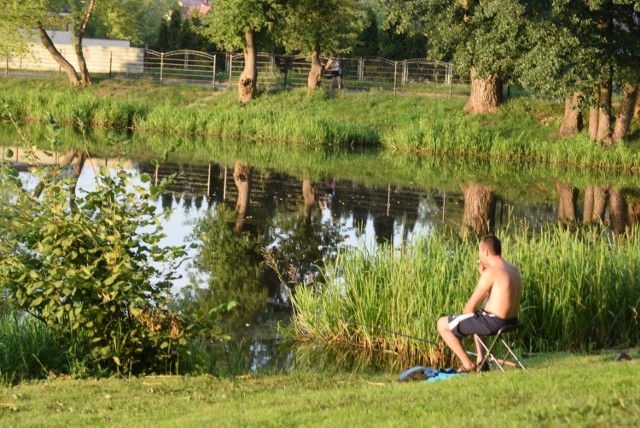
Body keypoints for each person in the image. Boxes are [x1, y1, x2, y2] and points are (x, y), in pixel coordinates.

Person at [436, 235, 522, 372]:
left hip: (494, 322)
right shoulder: (513, 269)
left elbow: (470, 307)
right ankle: (482, 362)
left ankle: (467, 364)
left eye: (479, 251)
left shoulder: (492, 272)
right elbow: (494, 301)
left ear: (485, 252)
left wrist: (462, 318)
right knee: (479, 316)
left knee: (441, 324)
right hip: (511, 321)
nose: (479, 256)